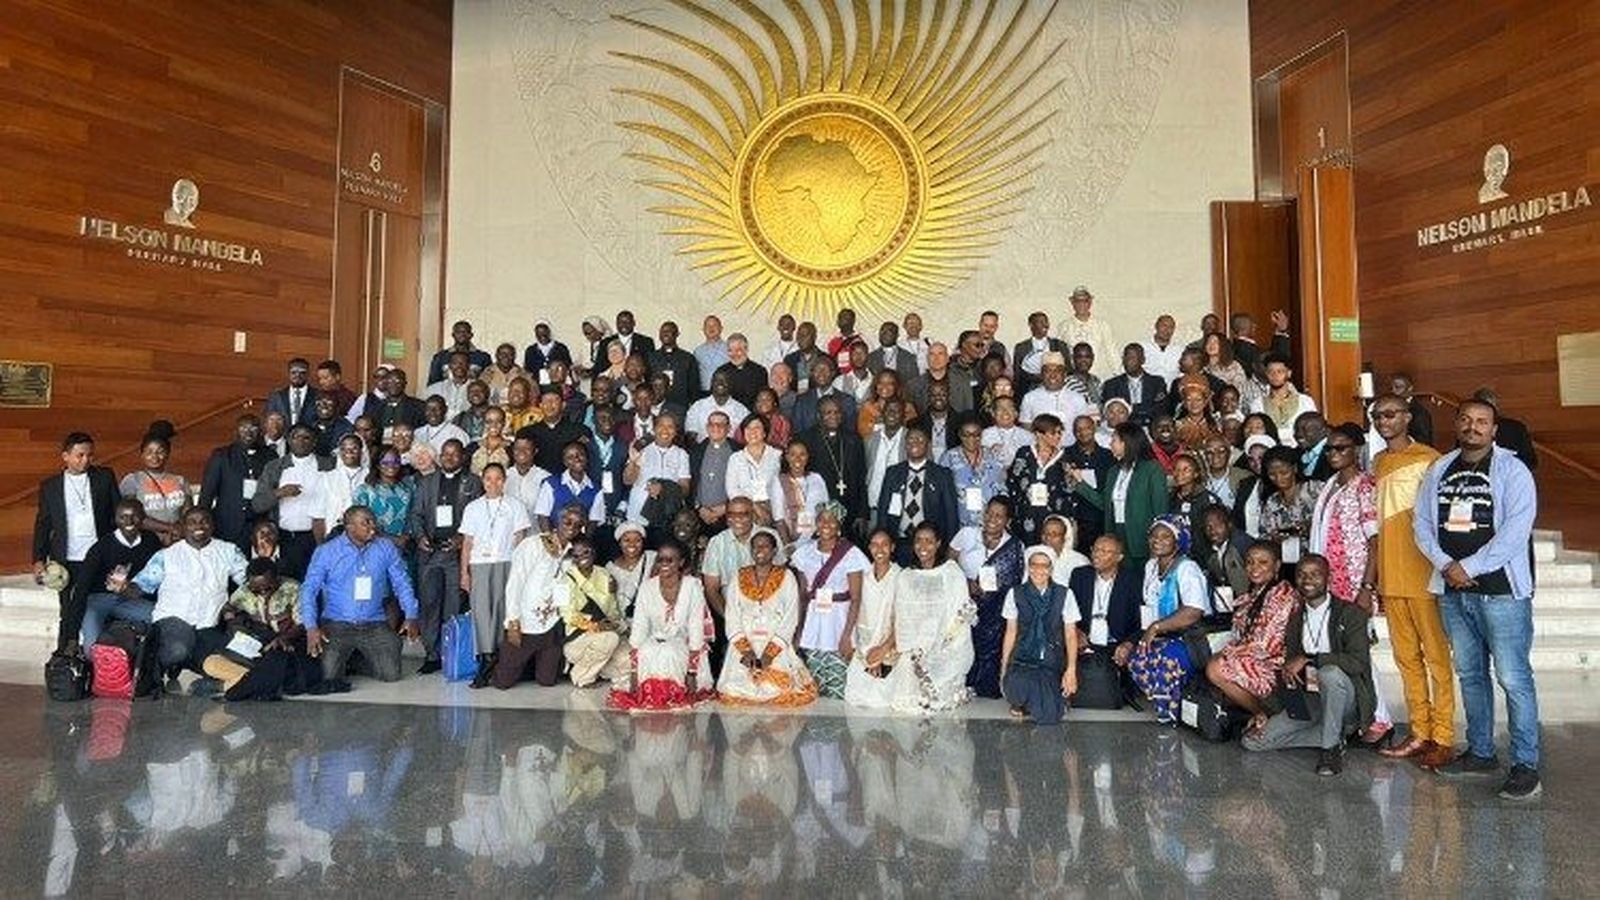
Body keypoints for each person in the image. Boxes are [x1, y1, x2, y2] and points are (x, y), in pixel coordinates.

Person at [1414, 398, 1541, 799]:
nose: (1473, 427)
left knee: (1513, 678)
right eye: (1466, 420)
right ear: (1456, 424)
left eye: (1482, 422)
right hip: (1453, 592)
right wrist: (1446, 564)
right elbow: (1420, 522)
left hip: (1500, 592)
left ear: (1494, 429)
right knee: (1470, 675)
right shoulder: (1440, 468)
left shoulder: (1512, 469)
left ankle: (1525, 765)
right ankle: (1481, 752)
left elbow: (1516, 530)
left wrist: (1469, 566)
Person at [1369, 393, 1455, 769]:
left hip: (1424, 574)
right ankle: (1419, 731)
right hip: (1392, 576)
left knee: (1437, 659)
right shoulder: (1379, 461)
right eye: (1376, 416)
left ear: (1407, 417)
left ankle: (1444, 736)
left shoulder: (1430, 459)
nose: (1382, 421)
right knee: (1406, 660)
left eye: (1389, 414)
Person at [1242, 554, 1377, 777]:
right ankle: (1332, 735)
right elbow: (1289, 671)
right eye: (1301, 574)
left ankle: (1329, 750)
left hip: (1346, 698)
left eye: (1315, 574)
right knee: (1252, 741)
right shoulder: (1295, 619)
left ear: (1328, 578)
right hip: (1312, 698)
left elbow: (1358, 663)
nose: (1308, 579)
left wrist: (1311, 659)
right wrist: (1266, 712)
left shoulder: (1350, 614)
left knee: (1330, 674)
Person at [299, 505, 420, 683]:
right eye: (366, 523)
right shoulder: (327, 551)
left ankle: (354, 660)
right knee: (329, 677)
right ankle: (347, 657)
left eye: (373, 522)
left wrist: (411, 615)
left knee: (391, 675)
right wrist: (311, 627)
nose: (373, 527)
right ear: (349, 526)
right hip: (336, 623)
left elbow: (402, 582)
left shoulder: (385, 547)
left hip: (374, 623)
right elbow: (309, 589)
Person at [129, 508, 249, 688]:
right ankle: (151, 672)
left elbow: (249, 583)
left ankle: (186, 664)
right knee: (179, 648)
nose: (198, 526)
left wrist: (233, 608)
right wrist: (123, 587)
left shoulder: (228, 551)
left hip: (207, 625)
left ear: (212, 525)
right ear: (183, 527)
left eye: (204, 521)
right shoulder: (166, 555)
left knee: (232, 657)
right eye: (192, 522)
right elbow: (140, 587)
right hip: (171, 621)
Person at [33, 431, 118, 651]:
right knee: (68, 609)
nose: (85, 460)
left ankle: (101, 657)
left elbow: (116, 515)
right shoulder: (50, 486)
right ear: (66, 456)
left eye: (90, 455)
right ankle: (63, 655)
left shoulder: (104, 477)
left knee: (100, 604)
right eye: (80, 455)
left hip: (99, 555)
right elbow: (43, 524)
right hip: (66, 559)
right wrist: (38, 559)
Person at [1121, 516, 1209, 724]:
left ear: (1177, 541)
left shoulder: (1187, 568)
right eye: (1153, 536)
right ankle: (1170, 704)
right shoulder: (1150, 566)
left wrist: (1157, 626)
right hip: (1160, 634)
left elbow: (1194, 611)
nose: (1157, 540)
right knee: (1136, 661)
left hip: (1189, 637)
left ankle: (1172, 715)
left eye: (1165, 536)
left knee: (1166, 663)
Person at [609, 538, 714, 709]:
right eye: (660, 559)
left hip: (685, 644)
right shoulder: (647, 587)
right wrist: (635, 673)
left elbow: (696, 628)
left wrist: (692, 673)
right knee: (649, 650)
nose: (664, 564)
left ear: (681, 562)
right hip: (655, 640)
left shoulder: (692, 586)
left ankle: (673, 691)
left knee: (669, 652)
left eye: (670, 560)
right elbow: (640, 628)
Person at [717, 530, 817, 706]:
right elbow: (732, 614)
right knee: (735, 689)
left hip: (775, 639)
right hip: (745, 639)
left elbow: (790, 616)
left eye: (764, 546)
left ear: (774, 550)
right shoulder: (739, 576)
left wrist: (770, 653)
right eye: (755, 546)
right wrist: (745, 650)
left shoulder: (786, 577)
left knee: (778, 690)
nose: (759, 550)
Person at [409, 439, 483, 674]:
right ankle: (432, 654)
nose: (449, 458)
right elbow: (416, 514)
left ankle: (451, 651)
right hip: (430, 552)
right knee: (429, 603)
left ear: (463, 457)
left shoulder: (473, 482)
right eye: (445, 454)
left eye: (454, 454)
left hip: (456, 554)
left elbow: (478, 519)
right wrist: (420, 537)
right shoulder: (427, 482)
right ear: (440, 457)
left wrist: (462, 540)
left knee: (453, 603)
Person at [885, 522, 977, 713]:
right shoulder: (906, 576)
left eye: (929, 541)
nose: (923, 546)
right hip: (915, 647)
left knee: (938, 698)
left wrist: (939, 647)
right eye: (918, 540)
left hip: (946, 646)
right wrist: (916, 652)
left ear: (938, 544)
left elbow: (961, 617)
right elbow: (903, 619)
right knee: (907, 700)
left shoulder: (951, 572)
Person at [1205, 540, 1299, 726]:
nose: (1254, 568)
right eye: (1250, 562)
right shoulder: (1254, 595)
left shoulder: (1282, 596)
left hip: (1276, 669)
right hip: (1252, 660)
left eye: (1263, 562)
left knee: (1215, 669)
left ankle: (1262, 713)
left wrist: (1226, 653)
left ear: (1277, 565)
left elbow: (1265, 646)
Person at [497, 505, 584, 690]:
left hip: (551, 623)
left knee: (547, 680)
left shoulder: (571, 552)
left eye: (577, 525)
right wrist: (513, 621)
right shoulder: (533, 544)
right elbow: (515, 583)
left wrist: (563, 615)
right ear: (557, 521)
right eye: (567, 521)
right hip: (525, 622)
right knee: (503, 682)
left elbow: (564, 586)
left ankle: (533, 664)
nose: (571, 527)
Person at [459, 462, 533, 674]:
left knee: (503, 609)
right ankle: (485, 657)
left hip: (506, 562)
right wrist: (464, 573)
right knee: (481, 611)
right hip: (479, 564)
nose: (493, 483)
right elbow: (467, 543)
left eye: (498, 478)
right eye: (488, 479)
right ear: (482, 481)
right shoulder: (472, 507)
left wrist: (520, 571)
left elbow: (520, 541)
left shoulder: (515, 505)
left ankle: (501, 658)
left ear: (505, 481)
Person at [950, 496, 1025, 699]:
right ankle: (961, 682)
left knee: (993, 638)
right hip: (963, 601)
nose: (992, 519)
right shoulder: (967, 534)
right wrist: (967, 584)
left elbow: (1015, 582)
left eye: (999, 516)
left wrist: (994, 592)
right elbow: (948, 567)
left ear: (1007, 521)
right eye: (990, 513)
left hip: (996, 609)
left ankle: (987, 685)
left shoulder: (1015, 546)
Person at [792, 502, 869, 698]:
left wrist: (847, 636)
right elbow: (802, 596)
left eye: (832, 520)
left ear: (839, 525)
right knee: (814, 688)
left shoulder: (851, 554)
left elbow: (856, 598)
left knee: (837, 688)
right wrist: (799, 630)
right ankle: (816, 729)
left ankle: (837, 729)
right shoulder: (804, 553)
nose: (826, 524)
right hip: (813, 625)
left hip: (839, 624)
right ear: (816, 524)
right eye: (822, 519)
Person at [1000, 544, 1080, 725]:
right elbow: (1011, 631)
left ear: (1051, 569)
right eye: (1034, 565)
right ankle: (1023, 700)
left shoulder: (1065, 594)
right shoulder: (1015, 593)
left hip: (1051, 661)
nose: (1039, 570)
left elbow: (1070, 634)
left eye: (1045, 565)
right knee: (1017, 683)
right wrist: (1004, 666)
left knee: (1050, 705)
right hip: (1022, 659)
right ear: (1028, 568)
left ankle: (1034, 701)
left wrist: (1071, 669)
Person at [1074, 423, 1170, 571]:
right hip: (1116, 535)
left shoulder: (1152, 468)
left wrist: (1158, 542)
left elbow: (1161, 509)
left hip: (1143, 538)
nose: (1110, 444)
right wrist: (1081, 484)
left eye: (1114, 440)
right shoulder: (1113, 471)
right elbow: (1104, 504)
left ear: (1127, 442)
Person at [73, 498, 161, 648]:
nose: (129, 521)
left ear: (143, 518)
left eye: (134, 516)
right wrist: (71, 633)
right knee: (91, 647)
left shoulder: (151, 541)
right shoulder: (101, 547)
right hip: (99, 599)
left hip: (132, 600)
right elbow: (82, 586)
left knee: (161, 618)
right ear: (115, 519)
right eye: (123, 517)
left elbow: (157, 576)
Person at [252, 425, 332, 579]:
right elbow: (257, 505)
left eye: (306, 437)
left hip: (318, 539)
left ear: (314, 441)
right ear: (289, 440)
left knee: (317, 584)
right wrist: (280, 492)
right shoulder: (274, 467)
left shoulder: (329, 465)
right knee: (286, 586)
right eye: (296, 437)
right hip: (284, 538)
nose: (301, 441)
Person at [875, 426, 960, 563]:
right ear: (905, 445)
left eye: (920, 439)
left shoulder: (942, 474)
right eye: (911, 439)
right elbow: (883, 509)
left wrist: (949, 548)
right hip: (899, 542)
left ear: (928, 444)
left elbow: (951, 514)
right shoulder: (893, 473)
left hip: (930, 545)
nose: (915, 442)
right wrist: (885, 542)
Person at [559, 535, 631, 688]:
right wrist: (596, 627)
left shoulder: (604, 574)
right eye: (576, 555)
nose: (581, 558)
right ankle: (581, 677)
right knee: (609, 639)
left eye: (586, 552)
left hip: (603, 635)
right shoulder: (564, 579)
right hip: (577, 639)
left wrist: (616, 625)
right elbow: (567, 616)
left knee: (629, 658)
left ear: (594, 553)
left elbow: (612, 609)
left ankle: (597, 669)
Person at [199, 415, 277, 549]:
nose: (248, 432)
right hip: (227, 525)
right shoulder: (222, 455)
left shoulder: (269, 456)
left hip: (260, 525)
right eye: (243, 428)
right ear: (236, 431)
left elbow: (274, 490)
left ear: (260, 431)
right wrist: (202, 523)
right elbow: (207, 493)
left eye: (253, 428)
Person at [842, 529, 900, 708]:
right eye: (874, 544)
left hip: (891, 648)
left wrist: (883, 651)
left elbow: (904, 620)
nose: (879, 549)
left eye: (884, 544)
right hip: (864, 649)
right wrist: (858, 647)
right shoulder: (862, 576)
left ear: (892, 547)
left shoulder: (902, 577)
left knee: (885, 700)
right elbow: (855, 609)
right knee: (856, 698)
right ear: (868, 548)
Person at [1068, 534, 1141, 654]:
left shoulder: (1133, 580)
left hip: (1117, 645)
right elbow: (1069, 611)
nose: (1097, 555)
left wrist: (1129, 644)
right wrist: (1076, 631)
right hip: (1085, 644)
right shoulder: (1079, 575)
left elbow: (1141, 621)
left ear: (1119, 557)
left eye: (1105, 551)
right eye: (1095, 549)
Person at [1260, 446, 1322, 577]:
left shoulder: (1315, 490)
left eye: (1284, 472)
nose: (1278, 478)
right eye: (1272, 474)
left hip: (1317, 563)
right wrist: (1275, 539)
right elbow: (1264, 536)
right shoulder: (1272, 501)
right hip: (1288, 566)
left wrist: (1311, 527)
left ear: (1294, 468)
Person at [119, 433, 188, 544]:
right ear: (142, 454)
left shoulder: (180, 481)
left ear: (168, 454)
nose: (155, 457)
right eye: (149, 452)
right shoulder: (132, 480)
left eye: (160, 452)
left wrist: (177, 532)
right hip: (146, 541)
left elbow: (188, 513)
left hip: (177, 540)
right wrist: (169, 528)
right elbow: (133, 515)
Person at [624, 414, 691, 525]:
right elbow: (628, 481)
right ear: (654, 429)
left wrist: (665, 488)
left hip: (668, 515)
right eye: (661, 425)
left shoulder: (681, 454)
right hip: (638, 514)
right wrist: (632, 462)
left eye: (670, 426)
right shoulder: (642, 449)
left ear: (675, 431)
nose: (665, 430)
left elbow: (685, 490)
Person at [942, 419, 1006, 531]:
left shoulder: (994, 457)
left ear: (981, 436)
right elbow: (942, 491)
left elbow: (1003, 488)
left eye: (976, 435)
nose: (971, 438)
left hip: (990, 523)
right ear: (959, 435)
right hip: (960, 522)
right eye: (966, 435)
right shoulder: (949, 458)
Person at [533, 441, 606, 532]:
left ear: (587, 457)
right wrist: (551, 544)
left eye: (580, 454)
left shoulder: (596, 489)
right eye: (570, 457)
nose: (576, 459)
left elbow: (593, 521)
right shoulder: (551, 484)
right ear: (565, 462)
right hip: (553, 538)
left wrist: (582, 543)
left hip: (580, 541)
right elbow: (542, 517)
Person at [1249, 354, 1318, 445]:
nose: (1275, 375)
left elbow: (1313, 430)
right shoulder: (1257, 404)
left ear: (1289, 373)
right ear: (1266, 374)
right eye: (1271, 372)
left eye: (1280, 371)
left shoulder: (1305, 401)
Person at [352, 445, 413, 547]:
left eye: (395, 461)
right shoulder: (365, 491)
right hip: (373, 547)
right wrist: (392, 539)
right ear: (378, 465)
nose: (391, 466)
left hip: (404, 547)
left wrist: (407, 537)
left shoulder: (407, 488)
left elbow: (413, 515)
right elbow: (360, 523)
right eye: (385, 462)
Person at [725, 414, 782, 520]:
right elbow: (732, 489)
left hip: (775, 506)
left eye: (757, 428)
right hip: (746, 508)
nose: (752, 432)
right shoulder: (735, 458)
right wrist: (754, 507)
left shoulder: (777, 455)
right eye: (748, 428)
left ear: (765, 433)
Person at [1055, 286, 1117, 378]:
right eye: (1078, 301)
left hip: (1098, 377)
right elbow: (1059, 355)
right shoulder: (1064, 327)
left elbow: (1112, 351)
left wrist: (1119, 373)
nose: (1081, 305)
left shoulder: (1102, 326)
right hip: (1072, 378)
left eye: (1085, 301)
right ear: (1072, 303)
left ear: (1090, 303)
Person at [1019, 351, 1092, 428]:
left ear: (1064, 374)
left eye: (1058, 370)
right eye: (1047, 371)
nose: (1053, 375)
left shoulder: (1078, 399)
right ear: (1041, 375)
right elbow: (1026, 429)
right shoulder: (1029, 398)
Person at [1101, 343, 1168, 426]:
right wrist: (1145, 407)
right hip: (1123, 429)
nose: (1128, 361)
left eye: (1132, 357)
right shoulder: (1111, 385)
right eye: (1126, 357)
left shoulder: (1157, 383)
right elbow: (1111, 413)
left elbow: (1159, 410)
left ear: (1143, 360)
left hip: (1150, 428)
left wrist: (1128, 408)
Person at [1196, 504, 1251, 601]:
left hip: (1249, 602)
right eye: (1208, 527)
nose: (1213, 531)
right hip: (1229, 604)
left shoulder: (1241, 543)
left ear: (1229, 524)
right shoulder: (1211, 549)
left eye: (1218, 525)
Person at [908, 340, 975, 414]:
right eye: (932, 354)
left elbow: (969, 411)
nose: (936, 358)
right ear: (927, 359)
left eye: (940, 354)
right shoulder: (913, 385)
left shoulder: (962, 382)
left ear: (947, 358)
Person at [1011, 311, 1070, 394]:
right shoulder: (1021, 348)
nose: (1046, 325)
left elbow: (1068, 369)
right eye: (1041, 322)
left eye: (1046, 322)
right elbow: (1017, 375)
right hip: (1028, 389)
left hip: (1056, 389)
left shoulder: (1060, 345)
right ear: (1031, 325)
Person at [607, 521, 656, 616]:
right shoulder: (610, 568)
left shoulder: (652, 558)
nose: (632, 544)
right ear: (619, 543)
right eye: (626, 540)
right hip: (619, 623)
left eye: (637, 540)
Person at [1170, 453, 1222, 539]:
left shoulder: (1208, 499)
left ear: (1196, 474)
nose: (1179, 473)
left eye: (1186, 470)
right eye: (1176, 469)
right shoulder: (1170, 497)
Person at [647, 321, 698, 409]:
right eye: (663, 331)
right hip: (656, 406)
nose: (665, 333)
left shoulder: (688, 358)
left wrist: (692, 406)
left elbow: (694, 386)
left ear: (677, 334)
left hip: (681, 405)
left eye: (669, 331)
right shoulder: (651, 357)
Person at [428, 320, 491, 384]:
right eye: (458, 332)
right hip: (445, 393)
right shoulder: (440, 357)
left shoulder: (483, 357)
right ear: (453, 335)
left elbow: (488, 382)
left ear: (471, 335)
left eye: (466, 332)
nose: (462, 334)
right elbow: (433, 382)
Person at [266, 357, 319, 428]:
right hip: (284, 437)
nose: (297, 376)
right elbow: (270, 420)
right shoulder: (277, 396)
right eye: (294, 372)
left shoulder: (318, 395)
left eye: (302, 372)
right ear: (288, 373)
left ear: (308, 374)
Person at [425, 351, 475, 419]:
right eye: (455, 363)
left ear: (469, 366)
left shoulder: (477, 389)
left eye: (462, 363)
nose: (459, 366)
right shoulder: (434, 389)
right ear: (449, 366)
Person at [1140, 315, 1184, 383]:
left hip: (1171, 391)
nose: (1167, 330)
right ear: (1156, 326)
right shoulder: (1142, 347)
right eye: (1164, 325)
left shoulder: (1180, 349)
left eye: (1171, 327)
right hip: (1147, 390)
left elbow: (1184, 373)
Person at [694, 314, 731, 392]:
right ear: (703, 330)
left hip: (725, 393)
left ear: (721, 328)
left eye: (714, 325)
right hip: (704, 393)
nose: (711, 328)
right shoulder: (698, 351)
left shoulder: (729, 348)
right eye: (708, 326)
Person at [1294, 412, 1335, 481]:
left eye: (1305, 430)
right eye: (1296, 429)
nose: (1299, 434)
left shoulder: (1334, 451)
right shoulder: (1296, 453)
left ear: (1323, 431)